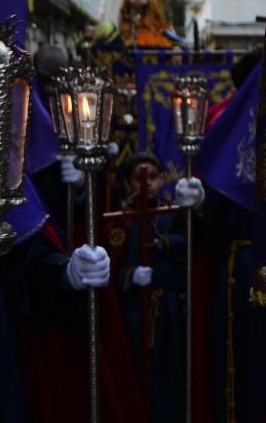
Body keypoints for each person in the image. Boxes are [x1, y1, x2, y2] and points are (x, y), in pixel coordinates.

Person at [106, 153, 204, 423]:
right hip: (136, 309)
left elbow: (192, 246)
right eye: (139, 178)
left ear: (162, 180)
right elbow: (111, 267)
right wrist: (129, 276)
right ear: (127, 184)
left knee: (172, 368)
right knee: (139, 368)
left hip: (169, 308)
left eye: (152, 177)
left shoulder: (173, 215)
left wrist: (167, 243)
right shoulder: (120, 221)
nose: (146, 183)